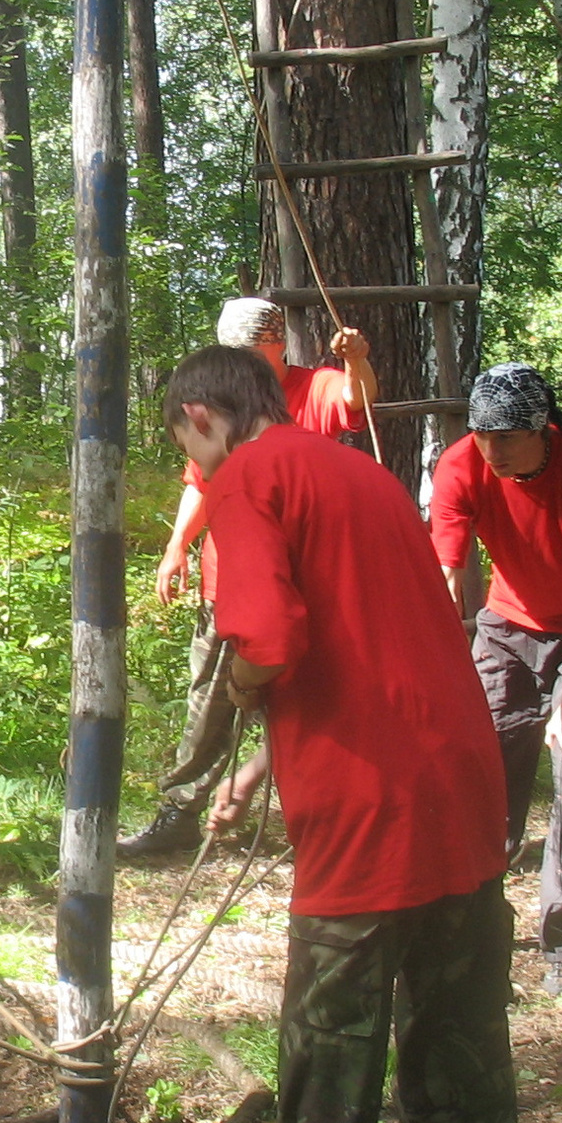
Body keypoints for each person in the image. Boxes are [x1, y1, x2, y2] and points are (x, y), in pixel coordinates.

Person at [174, 344, 513, 1123]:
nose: (193, 468)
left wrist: (239, 697)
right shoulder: (364, 476)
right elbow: (374, 640)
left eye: (186, 447)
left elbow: (270, 641)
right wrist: (260, 763)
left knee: (329, 1040)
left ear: (203, 417)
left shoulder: (246, 478)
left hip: (367, 810)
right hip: (456, 781)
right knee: (456, 1027)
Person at [122, 296, 376, 861]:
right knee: (209, 702)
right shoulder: (214, 409)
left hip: (301, 580)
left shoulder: (314, 388)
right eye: (234, 356)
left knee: (309, 696)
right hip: (227, 578)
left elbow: (357, 399)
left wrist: (357, 359)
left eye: (254, 354)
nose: (244, 368)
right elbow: (200, 482)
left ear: (278, 346)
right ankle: (181, 812)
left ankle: (317, 815)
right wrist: (175, 547)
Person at [428, 364, 562, 996]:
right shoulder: (462, 464)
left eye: (506, 437)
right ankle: (475, 931)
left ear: (543, 428)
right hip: (506, 625)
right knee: (485, 772)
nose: (490, 450)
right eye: (481, 435)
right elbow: (446, 577)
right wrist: (441, 673)